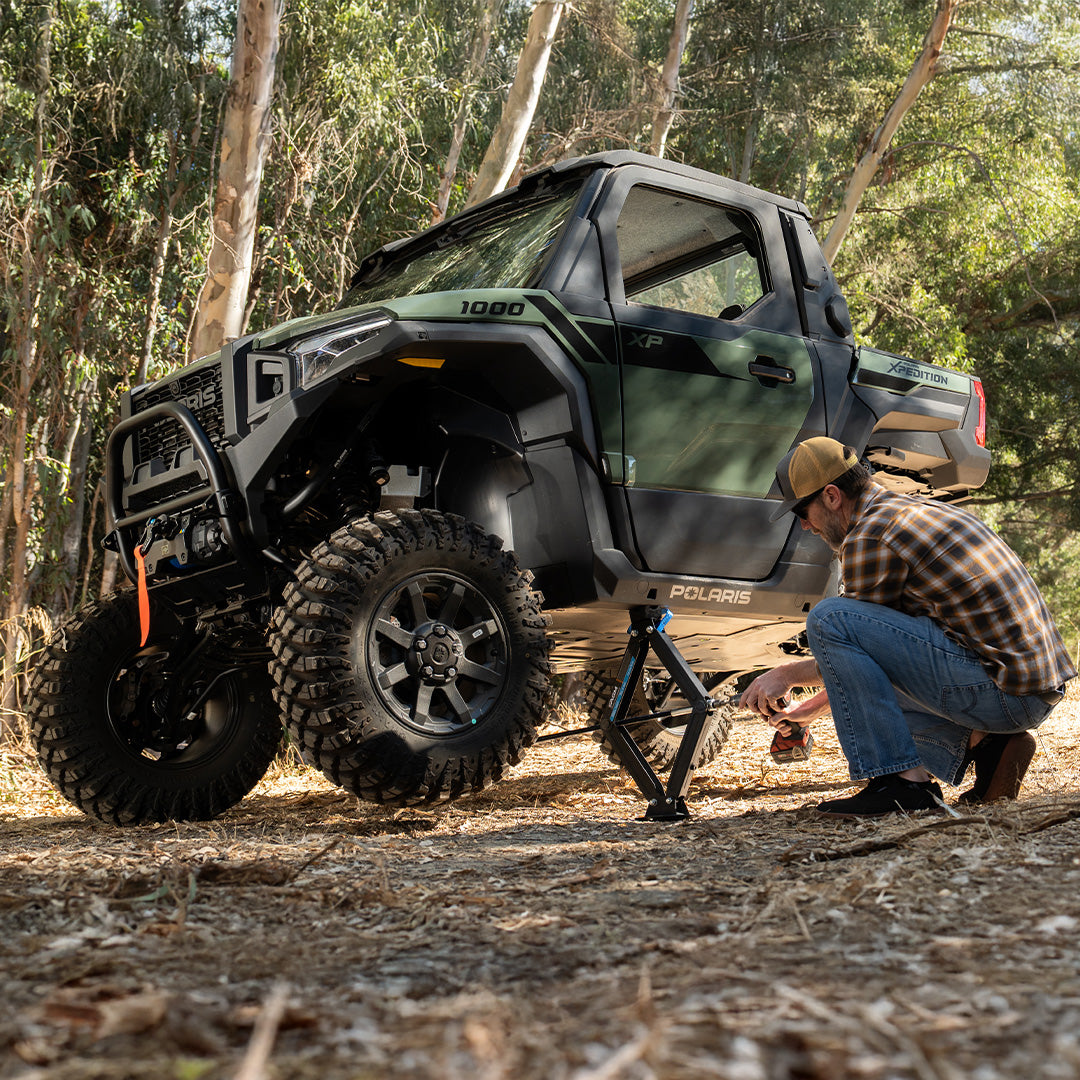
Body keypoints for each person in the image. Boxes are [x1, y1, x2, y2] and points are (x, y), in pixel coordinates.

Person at [741, 436, 1075, 818]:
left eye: (803, 511)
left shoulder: (872, 532)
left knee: (828, 618)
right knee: (843, 631)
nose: (804, 526)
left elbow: (844, 642)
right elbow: (862, 664)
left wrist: (784, 674)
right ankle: (987, 747)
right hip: (1029, 691)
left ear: (832, 496)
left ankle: (902, 785)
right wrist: (809, 710)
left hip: (1004, 694)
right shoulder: (908, 510)